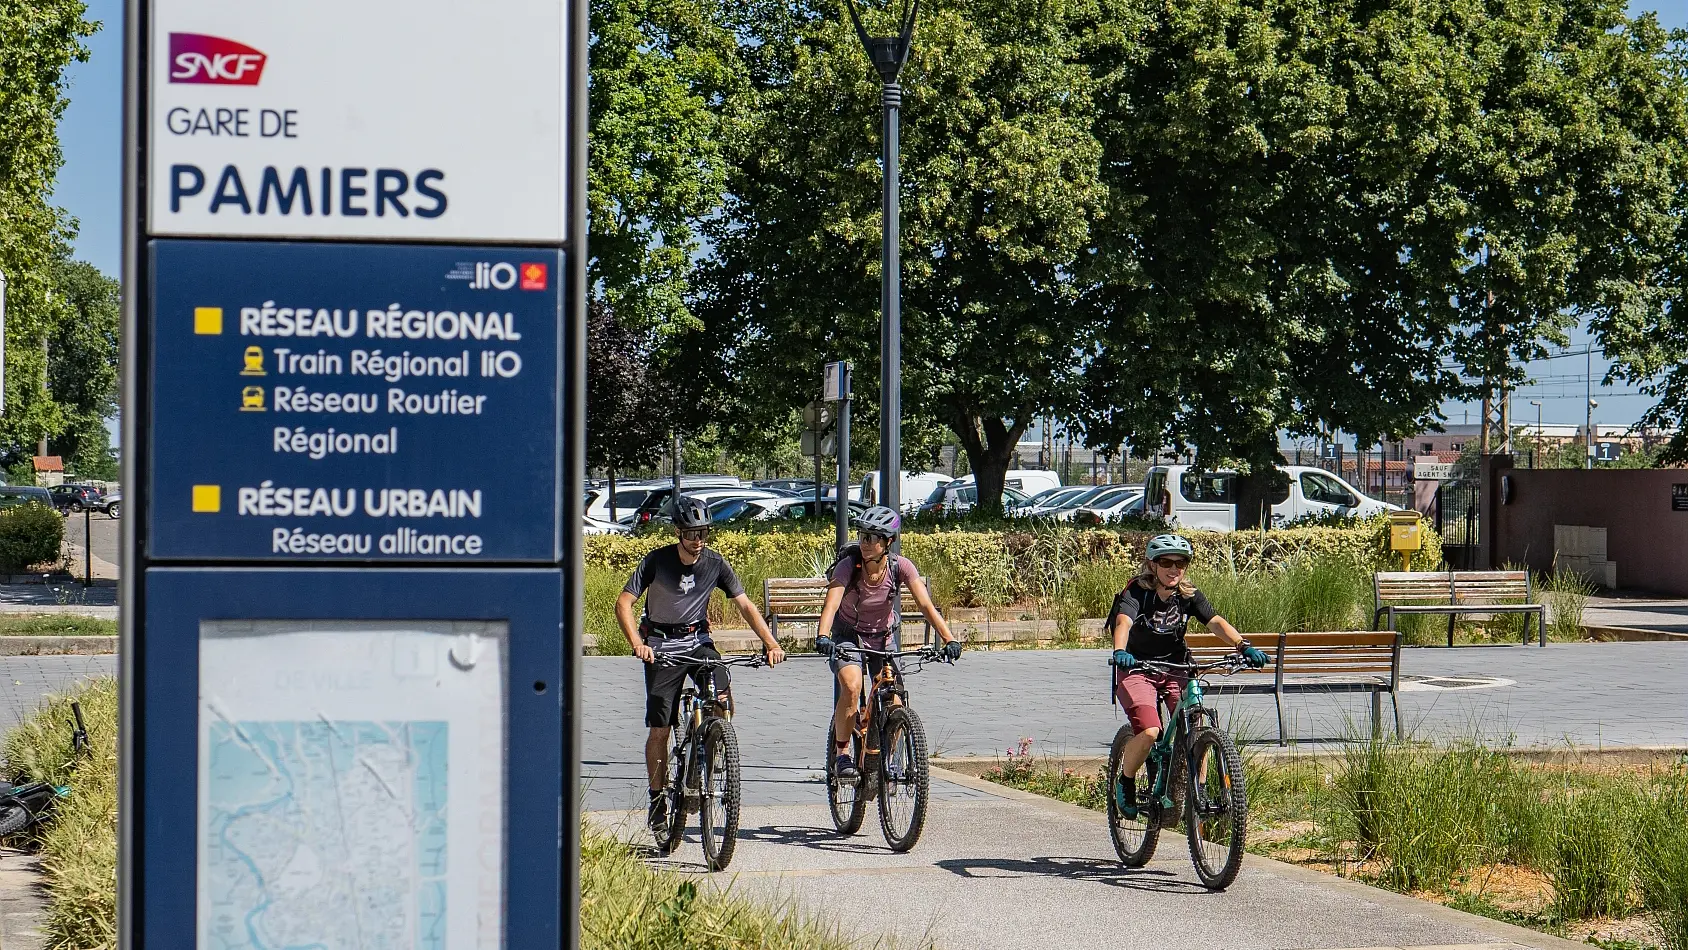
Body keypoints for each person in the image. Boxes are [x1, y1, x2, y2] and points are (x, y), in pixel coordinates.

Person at [615, 496, 786, 833]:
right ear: (678, 532)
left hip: (698, 643)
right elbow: (623, 604)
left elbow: (745, 605)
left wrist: (771, 643)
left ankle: (712, 746)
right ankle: (657, 800)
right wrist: (638, 644)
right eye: (692, 534)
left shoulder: (715, 563)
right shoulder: (656, 561)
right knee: (660, 729)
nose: (698, 540)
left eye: (704, 533)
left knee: (721, 690)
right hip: (660, 646)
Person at [1108, 534, 1266, 814]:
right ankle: (1126, 781)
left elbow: (1214, 622)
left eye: (1180, 563)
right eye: (1166, 562)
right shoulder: (1137, 591)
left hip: (1177, 667)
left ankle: (1197, 793)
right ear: (1152, 565)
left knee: (1195, 729)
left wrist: (1242, 645)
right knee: (1150, 731)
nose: (1174, 569)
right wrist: (1120, 650)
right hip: (1138, 667)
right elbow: (1124, 622)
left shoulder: (1188, 595)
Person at [813, 505, 961, 780]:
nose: (865, 543)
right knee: (852, 686)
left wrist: (949, 639)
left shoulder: (900, 566)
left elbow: (926, 605)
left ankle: (889, 761)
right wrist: (822, 636)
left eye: (872, 538)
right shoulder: (849, 566)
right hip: (849, 636)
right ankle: (842, 755)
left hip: (883, 638)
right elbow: (831, 604)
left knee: (895, 701)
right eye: (862, 536)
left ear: (888, 542)